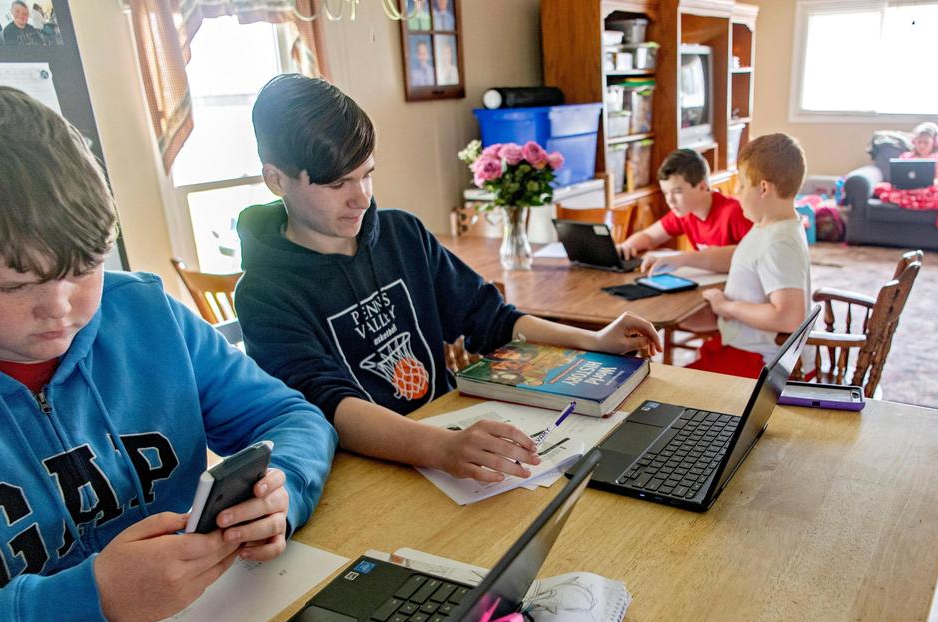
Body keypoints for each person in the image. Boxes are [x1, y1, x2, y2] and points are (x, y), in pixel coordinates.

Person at [0, 86, 337, 622]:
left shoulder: (147, 314)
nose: (62, 309)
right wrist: (91, 599)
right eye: (16, 287)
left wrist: (283, 492)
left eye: (85, 269)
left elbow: (291, 417)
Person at [235, 75, 661, 485]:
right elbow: (329, 407)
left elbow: (491, 318)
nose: (361, 198)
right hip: (367, 472)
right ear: (276, 180)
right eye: (336, 184)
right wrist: (442, 447)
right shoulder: (264, 294)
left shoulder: (402, 234)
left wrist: (593, 340)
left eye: (367, 174)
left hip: (444, 441)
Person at [643, 134, 810, 378]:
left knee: (661, 384)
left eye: (741, 185)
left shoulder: (779, 242)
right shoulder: (767, 226)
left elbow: (788, 318)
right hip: (743, 347)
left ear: (763, 188)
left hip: (760, 362)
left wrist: (727, 307)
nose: (737, 193)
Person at [616, 149, 751, 260]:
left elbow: (755, 254)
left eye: (677, 192)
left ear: (702, 187)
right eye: (666, 192)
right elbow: (650, 237)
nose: (670, 200)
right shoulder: (685, 212)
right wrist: (627, 246)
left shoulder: (735, 212)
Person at [899, 122, 938, 186]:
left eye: (926, 142)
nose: (922, 146)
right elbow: (899, 177)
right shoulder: (906, 157)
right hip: (908, 188)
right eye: (919, 142)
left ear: (934, 143)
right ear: (914, 142)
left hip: (931, 188)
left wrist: (922, 183)